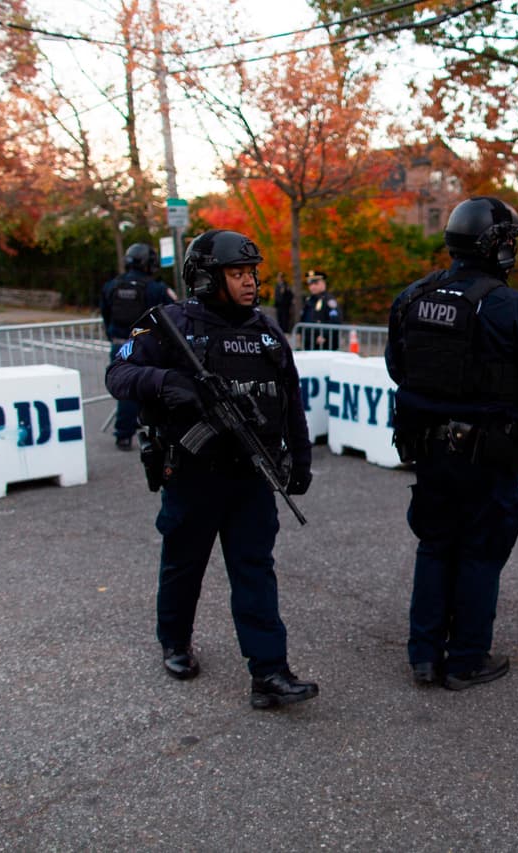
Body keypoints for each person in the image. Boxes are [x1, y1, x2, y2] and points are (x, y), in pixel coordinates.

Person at [105, 229, 318, 710]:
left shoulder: (266, 332)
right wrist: (165, 381)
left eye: (251, 273)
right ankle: (174, 642)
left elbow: (290, 399)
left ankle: (269, 672)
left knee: (255, 572)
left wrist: (300, 459)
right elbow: (118, 373)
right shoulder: (171, 324)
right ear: (205, 278)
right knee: (184, 565)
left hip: (252, 477)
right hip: (193, 474)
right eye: (236, 273)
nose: (249, 282)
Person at [386, 196, 518, 690]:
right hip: (488, 454)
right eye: (509, 241)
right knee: (480, 551)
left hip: (428, 449)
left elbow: (398, 368)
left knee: (434, 545)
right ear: (496, 247)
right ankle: (466, 659)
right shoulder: (514, 307)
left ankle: (424, 656)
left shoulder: (412, 296)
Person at [100, 242, 175, 450]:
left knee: (126, 388)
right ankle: (140, 433)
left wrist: (112, 335)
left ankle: (125, 432)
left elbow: (105, 313)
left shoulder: (112, 285)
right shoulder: (156, 288)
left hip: (119, 344)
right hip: (147, 347)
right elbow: (171, 316)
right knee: (153, 388)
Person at [299, 270, 342, 350]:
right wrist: (299, 332)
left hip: (324, 345)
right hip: (309, 344)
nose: (312, 287)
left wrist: (324, 335)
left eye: (316, 283)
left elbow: (336, 320)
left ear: (323, 283)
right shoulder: (309, 300)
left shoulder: (328, 300)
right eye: (310, 284)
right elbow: (303, 318)